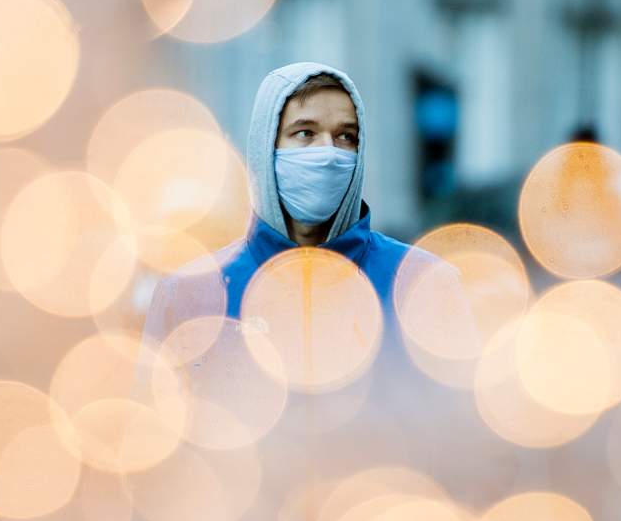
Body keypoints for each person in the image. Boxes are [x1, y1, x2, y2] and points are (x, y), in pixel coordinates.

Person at [142, 61, 431, 346]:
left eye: (345, 136)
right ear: (265, 147)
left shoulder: (419, 284)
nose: (328, 153)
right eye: (305, 133)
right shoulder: (189, 294)